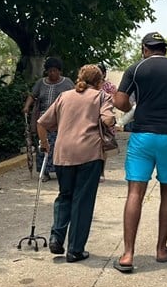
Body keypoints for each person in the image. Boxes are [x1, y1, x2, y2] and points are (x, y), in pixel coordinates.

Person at [112, 31, 167, 273]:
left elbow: (119, 101)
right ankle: (161, 249)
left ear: (145, 48)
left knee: (135, 192)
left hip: (142, 137)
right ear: (164, 49)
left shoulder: (135, 69)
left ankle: (128, 254)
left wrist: (129, 107)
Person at [36, 64, 115, 263]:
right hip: (89, 154)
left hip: (63, 153)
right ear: (99, 82)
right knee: (83, 201)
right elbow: (107, 120)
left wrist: (45, 144)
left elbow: (41, 123)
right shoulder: (101, 96)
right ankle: (75, 250)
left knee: (65, 196)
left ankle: (56, 236)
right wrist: (113, 120)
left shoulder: (65, 96)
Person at [22, 57, 74, 182]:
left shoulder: (67, 83)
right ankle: (44, 172)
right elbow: (32, 95)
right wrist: (26, 106)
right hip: (43, 119)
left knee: (58, 145)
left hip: (60, 120)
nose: (52, 73)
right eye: (50, 71)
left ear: (60, 71)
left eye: (55, 71)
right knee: (43, 144)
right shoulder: (41, 83)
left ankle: (60, 170)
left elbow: (75, 96)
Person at [98, 63, 118, 183]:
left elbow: (114, 101)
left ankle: (101, 171)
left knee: (104, 147)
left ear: (104, 73)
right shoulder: (88, 86)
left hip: (105, 120)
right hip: (91, 119)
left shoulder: (110, 86)